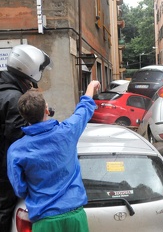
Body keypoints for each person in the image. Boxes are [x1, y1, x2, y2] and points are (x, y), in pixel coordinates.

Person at [7, 80, 101, 232]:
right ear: (46, 109)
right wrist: (90, 87)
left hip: (45, 221)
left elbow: (20, 188)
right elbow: (84, 110)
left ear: (23, 115)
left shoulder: (16, 150)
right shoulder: (67, 132)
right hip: (74, 217)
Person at [0, 44, 52, 232]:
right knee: (3, 208)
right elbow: (19, 140)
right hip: (0, 166)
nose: (41, 72)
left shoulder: (0, 88)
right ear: (29, 68)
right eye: (40, 68)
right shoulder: (14, 98)